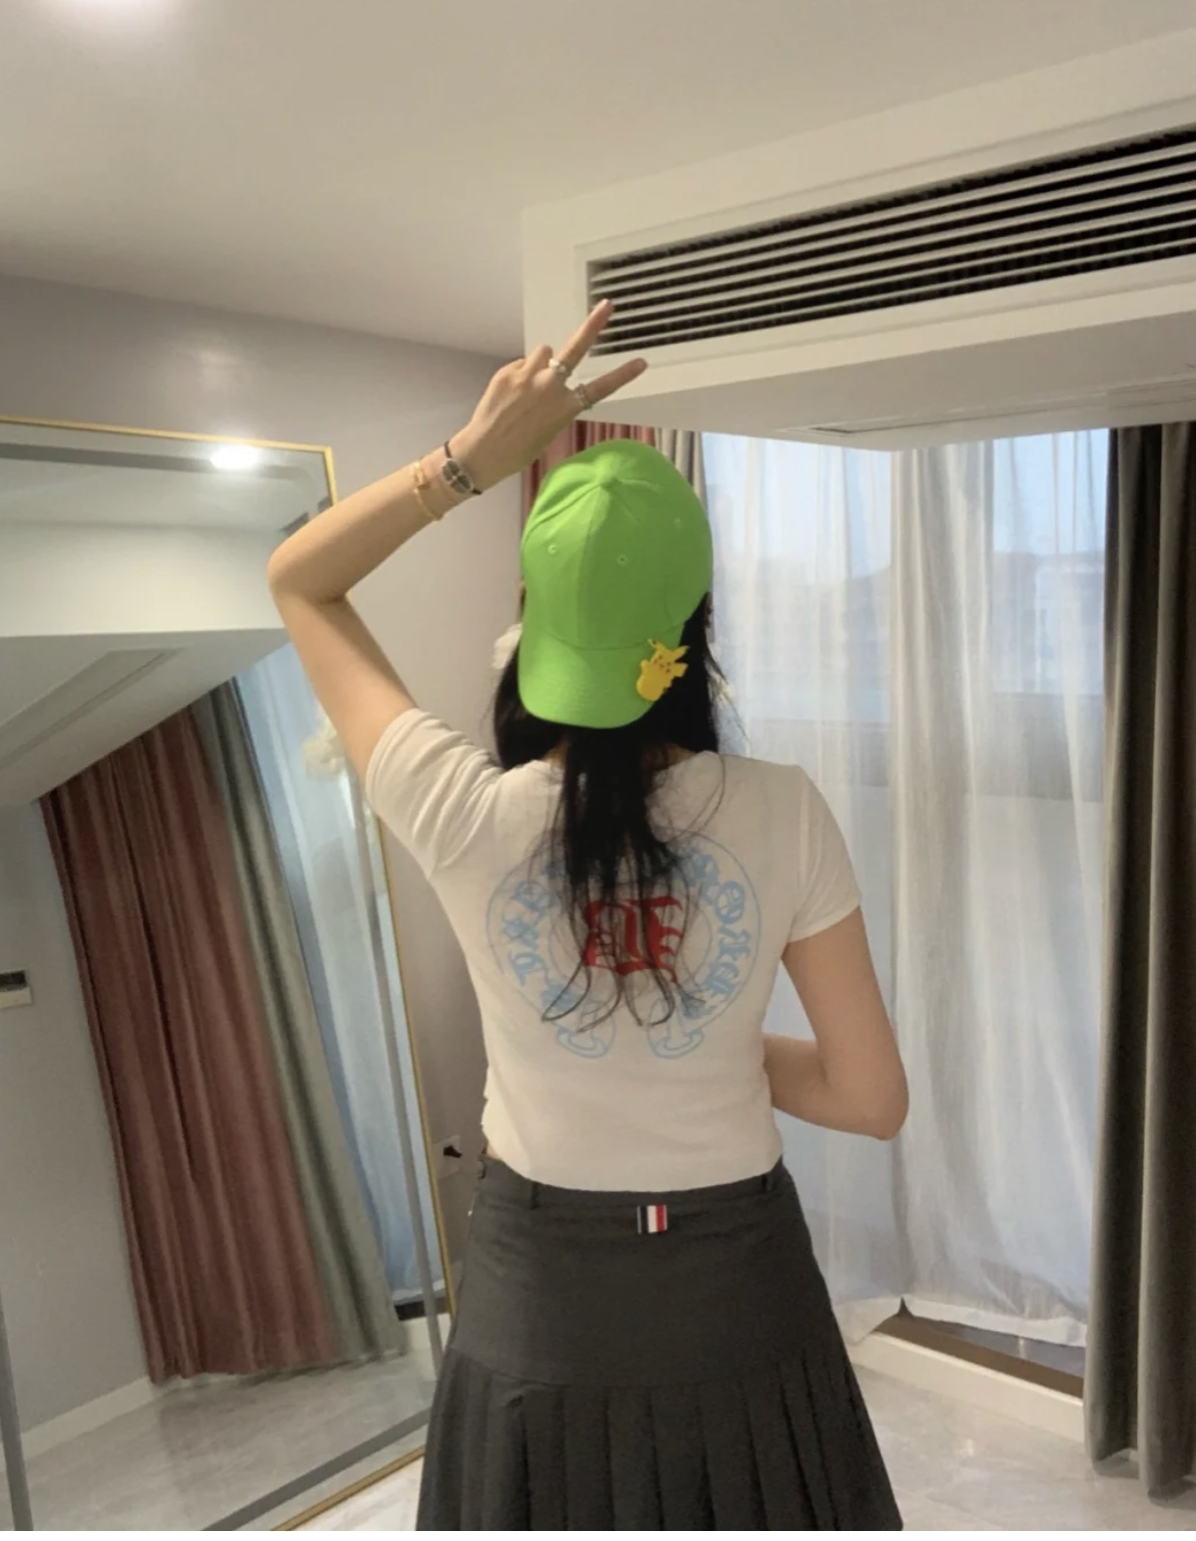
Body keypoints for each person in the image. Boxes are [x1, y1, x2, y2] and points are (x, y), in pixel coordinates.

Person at [268, 300, 908, 1531]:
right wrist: (709, 1040)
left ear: (535, 630)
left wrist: (468, 462)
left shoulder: (460, 808)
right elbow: (871, 1099)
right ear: (694, 628)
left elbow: (301, 580)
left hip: (538, 1296)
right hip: (741, 1294)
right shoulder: (785, 809)